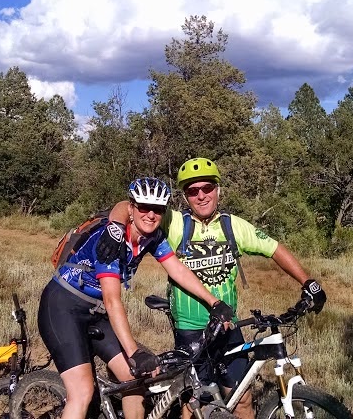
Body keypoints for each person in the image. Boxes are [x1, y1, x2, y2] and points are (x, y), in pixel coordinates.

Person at [100, 159, 327, 419]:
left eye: (207, 188)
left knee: (242, 399)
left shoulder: (233, 226)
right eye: (192, 191)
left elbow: (274, 249)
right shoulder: (174, 222)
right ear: (185, 197)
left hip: (228, 325)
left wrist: (308, 282)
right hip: (190, 329)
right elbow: (126, 206)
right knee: (194, 402)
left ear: (218, 190)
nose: (201, 196)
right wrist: (116, 226)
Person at [38, 177, 234, 419]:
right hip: (63, 306)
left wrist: (214, 301)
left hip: (95, 311)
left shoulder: (152, 237)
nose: (151, 214)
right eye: (144, 207)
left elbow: (178, 270)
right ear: (131, 208)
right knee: (82, 392)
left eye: (158, 209)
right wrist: (134, 352)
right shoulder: (111, 241)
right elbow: (113, 300)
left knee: (134, 381)